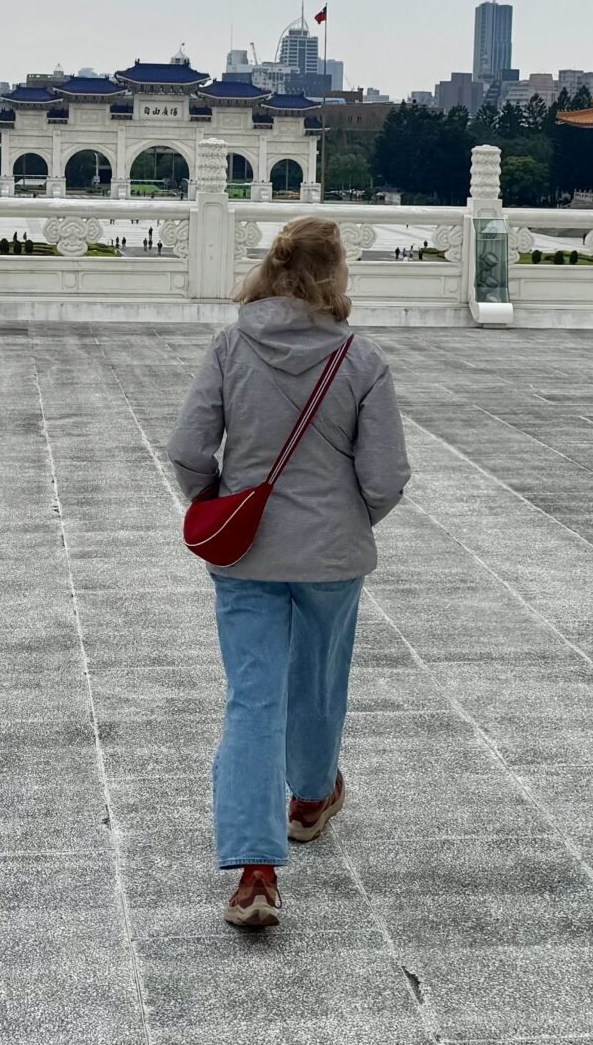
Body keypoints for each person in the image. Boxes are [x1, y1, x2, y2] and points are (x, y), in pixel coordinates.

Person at [167, 217, 411, 931]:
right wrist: (349, 518)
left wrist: (218, 502)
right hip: (332, 554)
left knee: (253, 697)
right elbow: (386, 475)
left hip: (247, 554)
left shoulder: (232, 346)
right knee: (319, 679)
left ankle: (255, 870)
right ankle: (309, 800)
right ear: (335, 275)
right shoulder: (360, 359)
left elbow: (188, 449)